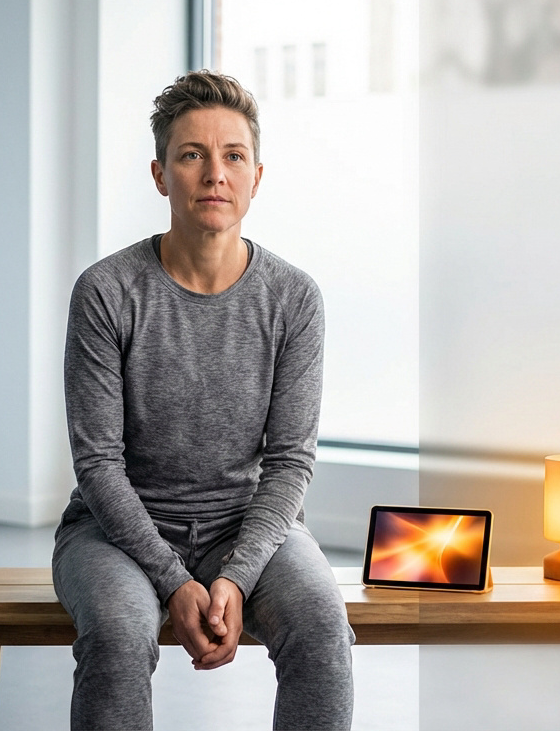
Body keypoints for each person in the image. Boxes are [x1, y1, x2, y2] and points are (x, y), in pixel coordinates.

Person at [52, 70, 355, 730]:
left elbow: (289, 462)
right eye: (192, 155)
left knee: (323, 629)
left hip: (244, 529)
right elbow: (98, 462)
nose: (214, 173)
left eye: (232, 156)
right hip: (113, 536)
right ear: (161, 174)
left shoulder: (293, 298)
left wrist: (237, 576)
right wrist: (173, 580)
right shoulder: (106, 292)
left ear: (256, 176)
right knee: (119, 632)